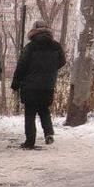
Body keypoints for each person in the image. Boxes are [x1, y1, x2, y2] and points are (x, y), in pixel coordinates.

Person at [11, 20, 66, 149]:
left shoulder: (30, 47)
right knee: (44, 110)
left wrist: (16, 83)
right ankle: (49, 133)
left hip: (30, 85)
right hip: (48, 85)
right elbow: (62, 62)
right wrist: (50, 70)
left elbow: (22, 65)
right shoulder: (56, 46)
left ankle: (30, 142)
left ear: (33, 31)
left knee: (30, 113)